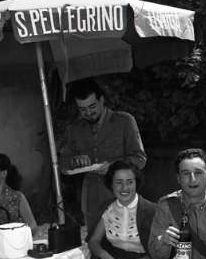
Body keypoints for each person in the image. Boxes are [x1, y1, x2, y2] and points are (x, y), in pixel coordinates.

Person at [60, 78, 146, 231]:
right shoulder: (74, 129)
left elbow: (139, 158)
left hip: (122, 194)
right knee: (94, 241)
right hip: (91, 199)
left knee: (125, 241)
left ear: (101, 100)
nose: (88, 113)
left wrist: (113, 166)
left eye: (92, 106)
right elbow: (63, 166)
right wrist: (75, 161)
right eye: (82, 109)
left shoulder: (124, 121)